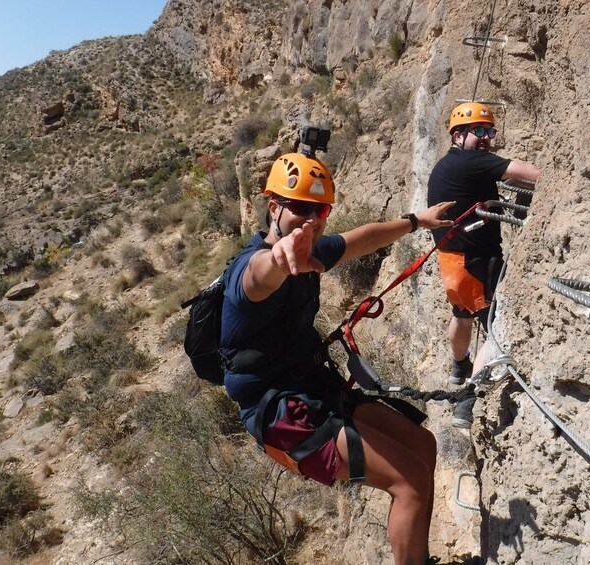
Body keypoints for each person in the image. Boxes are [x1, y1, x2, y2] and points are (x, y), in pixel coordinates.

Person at [220, 147, 455, 565]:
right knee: (411, 479)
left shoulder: (311, 250)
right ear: (273, 207)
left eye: (321, 210)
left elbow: (361, 238)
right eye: (299, 209)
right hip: (279, 413)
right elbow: (262, 272)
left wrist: (417, 220)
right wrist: (280, 257)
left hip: (312, 389)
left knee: (423, 444)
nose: (311, 220)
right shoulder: (249, 272)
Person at [427, 102, 540, 429]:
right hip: (476, 262)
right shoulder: (473, 160)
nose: (487, 138)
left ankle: (459, 365)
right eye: (479, 131)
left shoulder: (446, 164)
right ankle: (467, 400)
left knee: (462, 314)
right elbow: (534, 174)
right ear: (458, 134)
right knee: (497, 324)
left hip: (451, 263)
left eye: (490, 131)